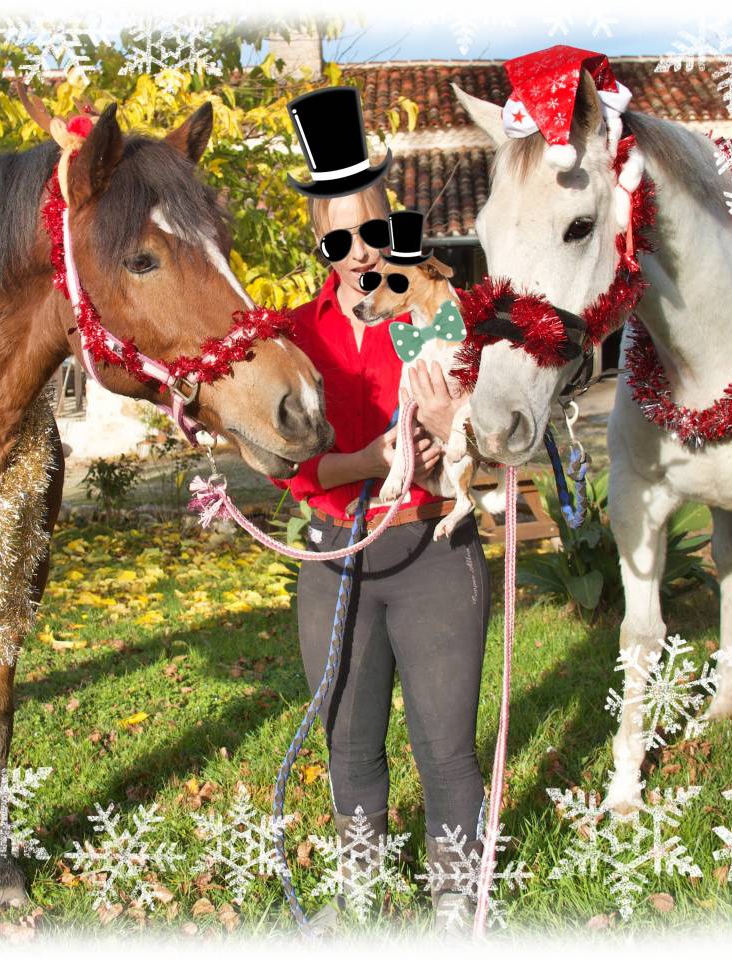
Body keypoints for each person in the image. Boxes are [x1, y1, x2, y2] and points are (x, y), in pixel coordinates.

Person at [272, 86, 493, 933]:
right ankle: (359, 891)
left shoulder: (442, 315)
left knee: (444, 748)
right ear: (320, 245)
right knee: (350, 743)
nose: (359, 252)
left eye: (371, 231)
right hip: (339, 559)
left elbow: (500, 435)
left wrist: (453, 426)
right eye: (339, 238)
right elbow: (291, 466)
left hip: (434, 553)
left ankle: (452, 902)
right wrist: (362, 461)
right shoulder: (299, 336)